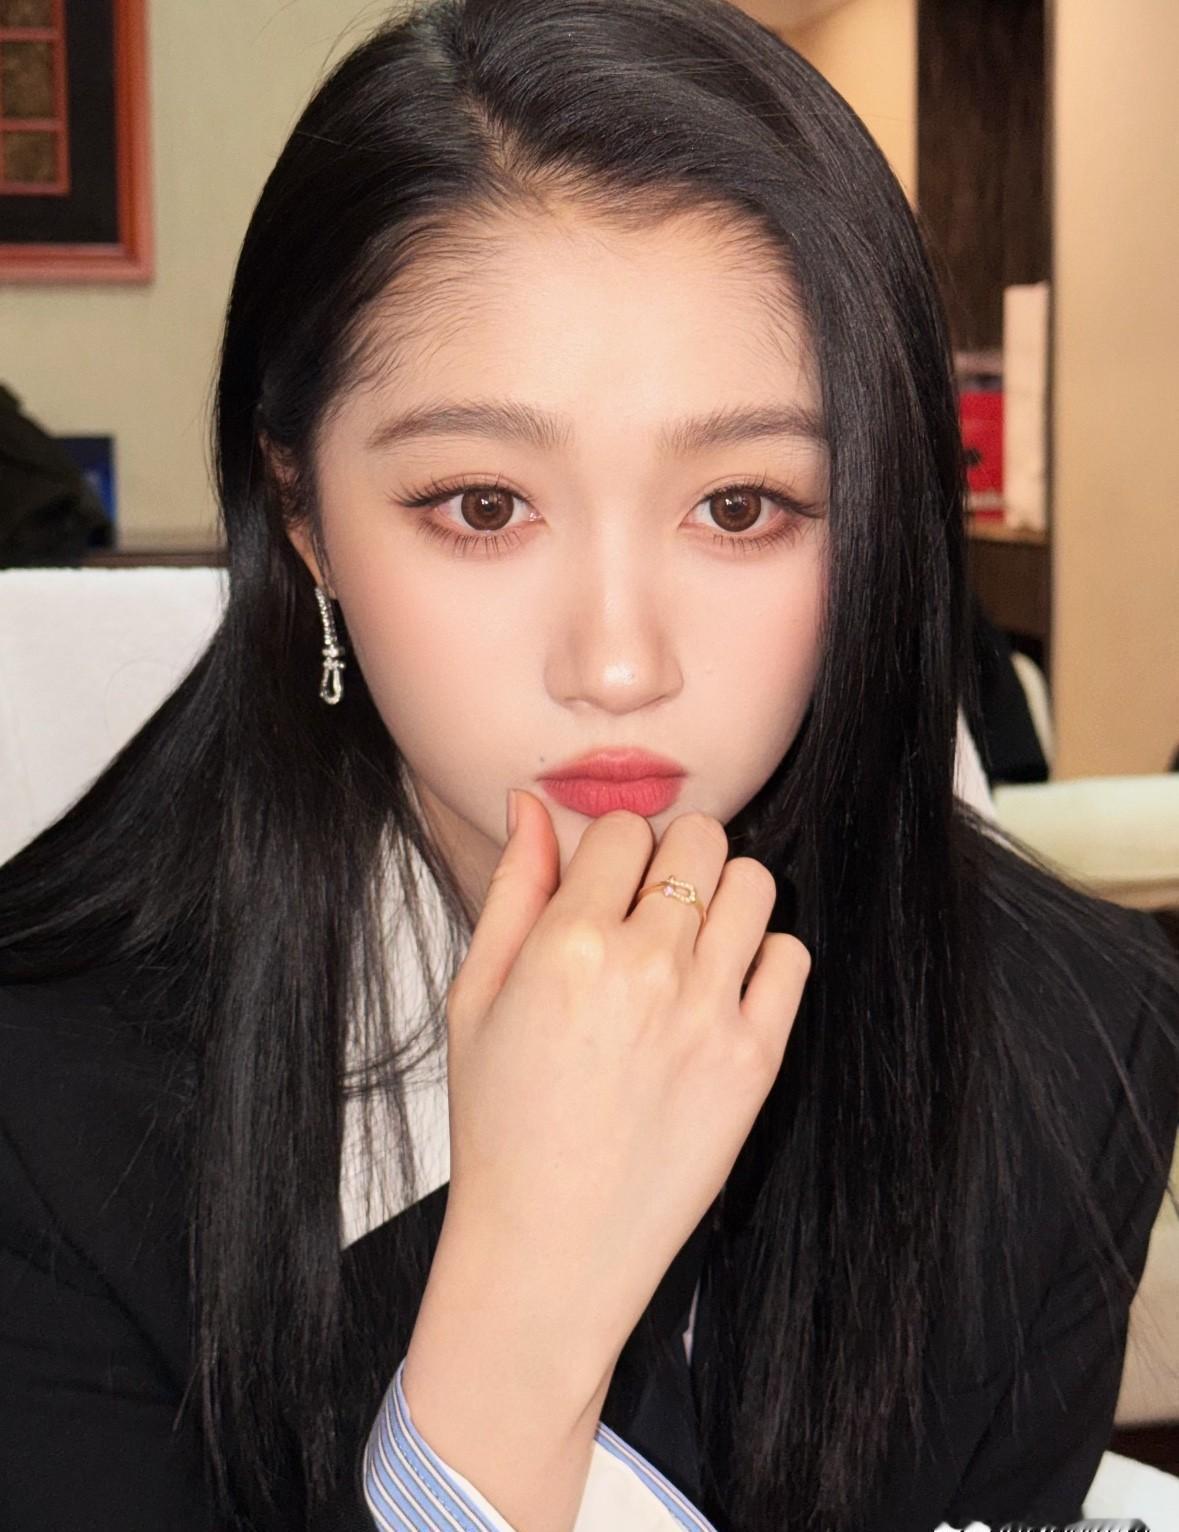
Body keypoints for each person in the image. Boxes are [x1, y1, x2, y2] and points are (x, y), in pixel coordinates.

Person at [0, 1, 1176, 1529]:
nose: (619, 664)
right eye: (484, 506)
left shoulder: (1062, 1040)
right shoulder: (51, 1109)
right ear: (304, 522)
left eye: (742, 506)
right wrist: (520, 1321)